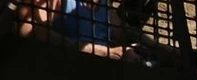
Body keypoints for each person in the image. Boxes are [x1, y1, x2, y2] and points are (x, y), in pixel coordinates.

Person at [13, 0, 148, 61]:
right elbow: (27, 29)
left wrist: (160, 48)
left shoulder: (103, 5)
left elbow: (125, 32)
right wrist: (106, 53)